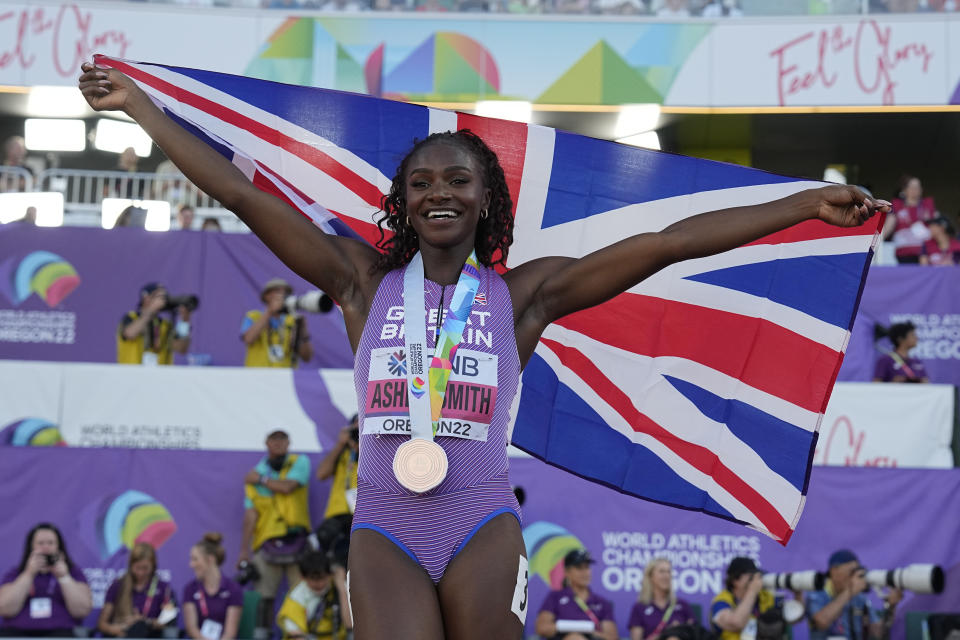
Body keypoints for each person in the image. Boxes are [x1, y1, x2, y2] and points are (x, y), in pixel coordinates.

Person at [79, 61, 887, 640]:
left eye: (458, 180)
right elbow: (241, 193)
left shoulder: (524, 295)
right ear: (402, 202)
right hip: (386, 524)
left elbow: (666, 242)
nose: (439, 191)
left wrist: (804, 201)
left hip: (481, 522)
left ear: (484, 199)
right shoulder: (360, 281)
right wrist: (146, 112)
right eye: (423, 181)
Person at [239, 430, 312, 628]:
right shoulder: (256, 471)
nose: (278, 443)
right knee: (263, 598)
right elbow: (250, 514)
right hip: (266, 541)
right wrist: (244, 551)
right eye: (274, 439)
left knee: (302, 595)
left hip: (297, 540)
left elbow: (288, 487)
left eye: (282, 439)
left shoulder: (299, 462)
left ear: (289, 442)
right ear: (266, 443)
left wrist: (262, 480)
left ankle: (298, 635)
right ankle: (263, 635)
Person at [0, 523, 92, 637]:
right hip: (18, 632)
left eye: (50, 543)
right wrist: (29, 574)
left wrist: (64, 577)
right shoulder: (16, 573)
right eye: (40, 543)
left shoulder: (73, 573)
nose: (45, 547)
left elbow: (82, 611)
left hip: (61, 632)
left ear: (59, 547)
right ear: (31, 547)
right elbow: (4, 609)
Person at [806, 549, 902, 640]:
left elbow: (877, 633)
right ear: (833, 570)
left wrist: (891, 606)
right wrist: (850, 592)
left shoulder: (859, 598)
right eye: (851, 571)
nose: (853, 576)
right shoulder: (817, 594)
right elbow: (821, 622)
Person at [98, 542, 177, 638]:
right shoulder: (118, 585)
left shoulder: (164, 589)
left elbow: (167, 621)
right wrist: (121, 628)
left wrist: (144, 622)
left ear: (153, 566)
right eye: (137, 568)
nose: (141, 573)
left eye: (145, 568)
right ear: (130, 565)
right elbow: (102, 624)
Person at [535, 549, 617, 640]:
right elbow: (541, 628)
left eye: (587, 567)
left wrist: (590, 633)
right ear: (567, 572)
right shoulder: (555, 597)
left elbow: (612, 637)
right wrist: (568, 628)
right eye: (579, 567)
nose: (585, 572)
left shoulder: (602, 602)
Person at [314, 416, 359, 570]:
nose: (358, 434)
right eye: (355, 430)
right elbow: (321, 474)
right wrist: (341, 444)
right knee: (334, 564)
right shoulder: (342, 454)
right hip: (338, 517)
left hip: (363, 516)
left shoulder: (376, 454)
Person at [276, 552, 352, 640]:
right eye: (313, 578)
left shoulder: (339, 587)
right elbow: (297, 636)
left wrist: (342, 588)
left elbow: (350, 625)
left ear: (330, 575)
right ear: (303, 577)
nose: (318, 583)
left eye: (322, 578)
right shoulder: (295, 598)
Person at [182, 533, 243, 640]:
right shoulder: (190, 589)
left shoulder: (233, 589)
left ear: (210, 559)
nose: (191, 564)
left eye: (195, 559)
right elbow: (191, 629)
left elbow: (230, 633)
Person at [241, 279, 313, 368]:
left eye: (286, 292)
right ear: (266, 296)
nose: (282, 295)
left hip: (286, 378)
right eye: (277, 291)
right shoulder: (253, 316)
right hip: (257, 377)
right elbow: (248, 339)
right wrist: (269, 312)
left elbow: (306, 357)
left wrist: (303, 333)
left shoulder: (293, 320)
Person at [117, 283, 192, 365]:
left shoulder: (165, 324)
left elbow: (181, 349)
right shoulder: (131, 317)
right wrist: (151, 309)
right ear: (146, 298)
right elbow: (130, 334)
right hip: (131, 374)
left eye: (165, 297)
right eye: (160, 297)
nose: (164, 300)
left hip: (159, 375)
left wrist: (185, 321)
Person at [628, 558, 696, 640]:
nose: (666, 576)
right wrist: (667, 632)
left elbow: (695, 633)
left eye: (669, 572)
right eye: (662, 571)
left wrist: (680, 630)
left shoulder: (683, 605)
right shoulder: (640, 608)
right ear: (651, 576)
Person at [710, 557, 774, 640]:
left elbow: (790, 618)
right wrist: (752, 592)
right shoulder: (721, 601)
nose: (755, 581)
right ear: (735, 580)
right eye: (751, 577)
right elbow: (736, 623)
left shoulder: (765, 597)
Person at [883, 176, 938, 263]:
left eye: (918, 187)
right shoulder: (897, 205)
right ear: (905, 190)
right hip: (904, 252)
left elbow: (937, 227)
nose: (915, 190)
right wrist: (876, 241)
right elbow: (888, 226)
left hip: (926, 252)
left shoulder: (927, 205)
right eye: (912, 187)